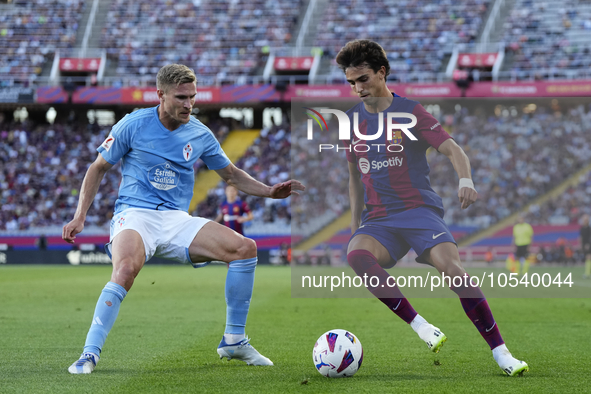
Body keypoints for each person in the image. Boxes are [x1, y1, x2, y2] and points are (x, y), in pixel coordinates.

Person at [62, 64, 304, 374]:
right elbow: (97, 167)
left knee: (245, 249)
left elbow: (230, 174)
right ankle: (89, 353)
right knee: (124, 269)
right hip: (135, 214)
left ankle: (234, 339)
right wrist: (79, 216)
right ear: (160, 95)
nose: (189, 104)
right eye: (181, 97)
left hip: (176, 219)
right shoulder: (132, 124)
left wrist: (269, 191)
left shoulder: (200, 133)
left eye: (192, 97)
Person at [335, 40, 528, 376]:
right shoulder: (351, 122)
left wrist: (465, 179)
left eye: (363, 79)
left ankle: (502, 353)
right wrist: (355, 228)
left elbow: (454, 150)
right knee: (356, 255)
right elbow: (354, 178)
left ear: (382, 72)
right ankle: (421, 325)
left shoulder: (411, 112)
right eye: (351, 83)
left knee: (455, 273)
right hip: (379, 219)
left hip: (419, 211)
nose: (357, 88)